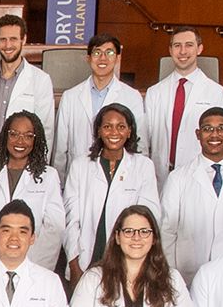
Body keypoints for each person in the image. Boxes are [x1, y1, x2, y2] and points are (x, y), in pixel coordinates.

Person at [157, 107, 223, 281]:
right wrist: (170, 274)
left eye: (222, 128)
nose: (215, 134)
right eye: (208, 129)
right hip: (188, 273)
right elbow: (166, 230)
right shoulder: (178, 177)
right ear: (198, 134)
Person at [60, 102, 160, 285]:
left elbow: (149, 217)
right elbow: (70, 219)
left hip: (127, 260)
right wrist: (74, 264)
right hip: (86, 259)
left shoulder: (143, 166)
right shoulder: (80, 165)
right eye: (107, 126)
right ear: (98, 130)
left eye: (121, 127)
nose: (114, 132)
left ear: (130, 131)